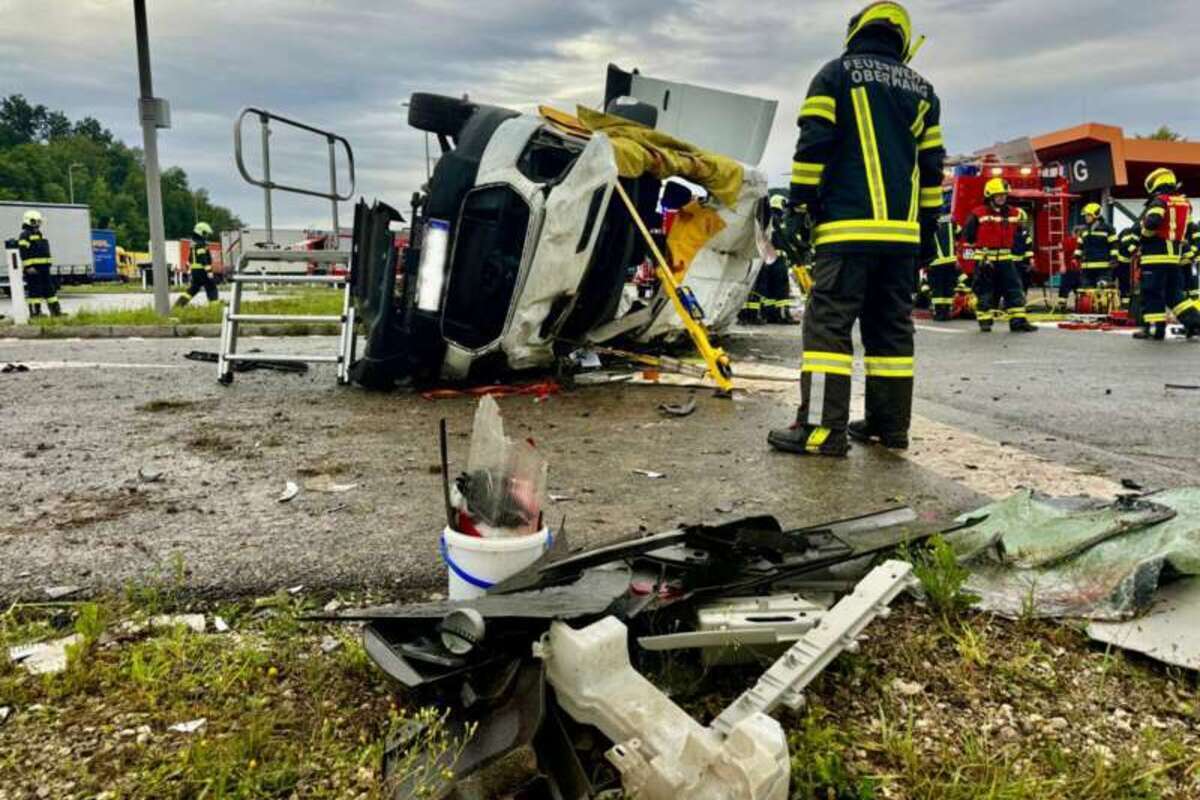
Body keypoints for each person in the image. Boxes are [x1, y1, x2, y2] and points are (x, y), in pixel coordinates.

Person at [768, 1, 944, 456]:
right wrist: (925, 233)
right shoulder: (923, 90)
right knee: (890, 333)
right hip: (901, 240)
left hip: (847, 231)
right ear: (901, 38)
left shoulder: (835, 75)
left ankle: (822, 431)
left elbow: (813, 146)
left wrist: (799, 206)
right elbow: (931, 172)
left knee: (828, 330)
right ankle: (890, 426)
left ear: (857, 31)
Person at [962, 178, 1038, 333]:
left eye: (1004, 194)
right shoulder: (978, 213)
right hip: (985, 259)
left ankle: (1018, 322)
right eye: (998, 195)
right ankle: (985, 321)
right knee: (985, 290)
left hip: (1005, 259)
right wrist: (976, 257)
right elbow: (968, 236)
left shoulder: (1014, 213)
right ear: (990, 195)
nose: (1002, 197)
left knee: (1014, 289)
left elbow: (1019, 234)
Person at [1133, 168, 1200, 340]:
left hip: (1155, 256)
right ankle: (1194, 324)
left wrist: (1144, 237)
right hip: (1174, 258)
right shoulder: (1184, 203)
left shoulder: (1159, 201)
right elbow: (1190, 229)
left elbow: (1152, 223)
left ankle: (1155, 329)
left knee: (1152, 293)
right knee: (1175, 295)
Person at [16, 210, 62, 318]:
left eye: (39, 221)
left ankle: (56, 312)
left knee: (49, 290)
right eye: (37, 221)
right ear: (30, 221)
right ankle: (35, 314)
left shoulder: (38, 233)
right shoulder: (25, 235)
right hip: (33, 269)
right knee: (34, 292)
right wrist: (28, 266)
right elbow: (23, 252)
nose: (39, 223)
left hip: (44, 268)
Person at [1073, 202, 1118, 306]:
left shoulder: (1108, 229)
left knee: (1102, 291)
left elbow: (1114, 245)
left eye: (1088, 215)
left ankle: (1103, 309)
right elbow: (1080, 246)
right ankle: (1089, 310)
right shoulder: (1084, 230)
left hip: (1103, 267)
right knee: (1086, 291)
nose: (1086, 218)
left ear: (1095, 215)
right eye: (1085, 216)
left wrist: (1114, 259)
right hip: (1087, 267)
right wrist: (1076, 258)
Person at [926, 190, 959, 321]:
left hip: (935, 261)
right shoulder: (951, 221)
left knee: (937, 289)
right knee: (948, 287)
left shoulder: (930, 221)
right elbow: (959, 233)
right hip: (950, 260)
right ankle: (946, 312)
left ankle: (939, 313)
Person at [174, 222, 219, 307]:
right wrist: (209, 271)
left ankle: (178, 305)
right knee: (211, 288)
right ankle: (215, 308)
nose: (206, 236)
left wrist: (188, 267)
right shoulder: (201, 244)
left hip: (195, 272)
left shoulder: (193, 243)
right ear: (200, 232)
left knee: (193, 289)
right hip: (202, 271)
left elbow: (190, 258)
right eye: (205, 233)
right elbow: (203, 258)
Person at [1115, 222, 1140, 305]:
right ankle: (1123, 302)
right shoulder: (1129, 232)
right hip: (1121, 261)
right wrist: (1136, 252)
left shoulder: (1135, 234)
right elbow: (1127, 243)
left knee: (1125, 282)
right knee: (1124, 282)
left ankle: (1124, 301)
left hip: (1126, 261)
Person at [1012, 207, 1033, 291]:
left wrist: (1030, 262)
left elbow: (1029, 249)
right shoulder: (1007, 232)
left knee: (1024, 281)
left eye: (1023, 222)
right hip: (1008, 263)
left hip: (1021, 264)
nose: (1023, 224)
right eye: (1021, 221)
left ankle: (1021, 297)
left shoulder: (1025, 234)